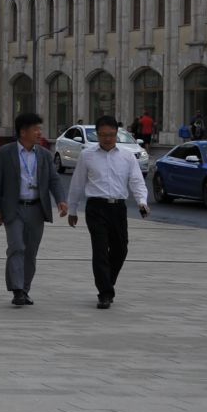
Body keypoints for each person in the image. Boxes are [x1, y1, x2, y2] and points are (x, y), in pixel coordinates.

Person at [65, 115, 150, 309]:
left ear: (117, 134)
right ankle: (105, 293)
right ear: (97, 134)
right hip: (96, 208)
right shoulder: (87, 155)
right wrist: (73, 209)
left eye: (111, 135)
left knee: (121, 249)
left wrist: (142, 202)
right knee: (100, 250)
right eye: (103, 135)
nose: (107, 139)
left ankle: (107, 281)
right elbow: (77, 183)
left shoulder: (127, 156)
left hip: (118, 208)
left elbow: (137, 181)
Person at [0, 113, 66, 306]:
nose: (40, 133)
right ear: (23, 132)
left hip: (37, 209)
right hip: (13, 209)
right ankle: (16, 290)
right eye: (35, 129)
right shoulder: (5, 153)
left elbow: (54, 181)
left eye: (40, 129)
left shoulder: (44, 155)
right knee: (17, 247)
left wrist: (61, 200)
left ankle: (24, 289)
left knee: (30, 252)